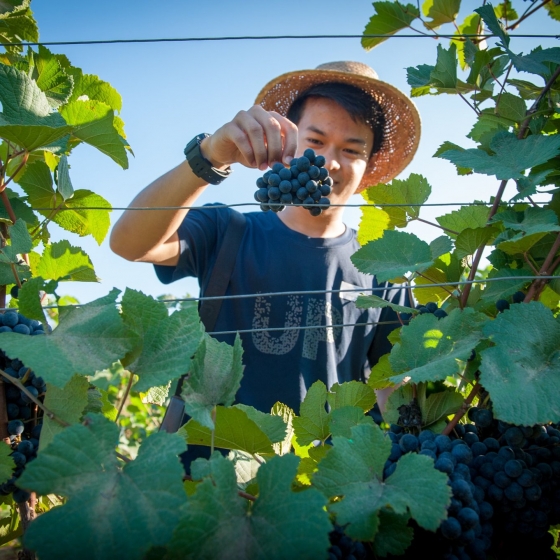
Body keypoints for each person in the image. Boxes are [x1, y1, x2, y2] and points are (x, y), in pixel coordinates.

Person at [110, 61, 421, 415]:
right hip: (205, 464)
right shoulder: (228, 230)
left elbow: (395, 397)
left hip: (323, 470)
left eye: (351, 150)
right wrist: (211, 155)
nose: (331, 162)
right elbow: (129, 245)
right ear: (288, 144)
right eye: (316, 141)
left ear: (370, 163)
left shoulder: (387, 275)